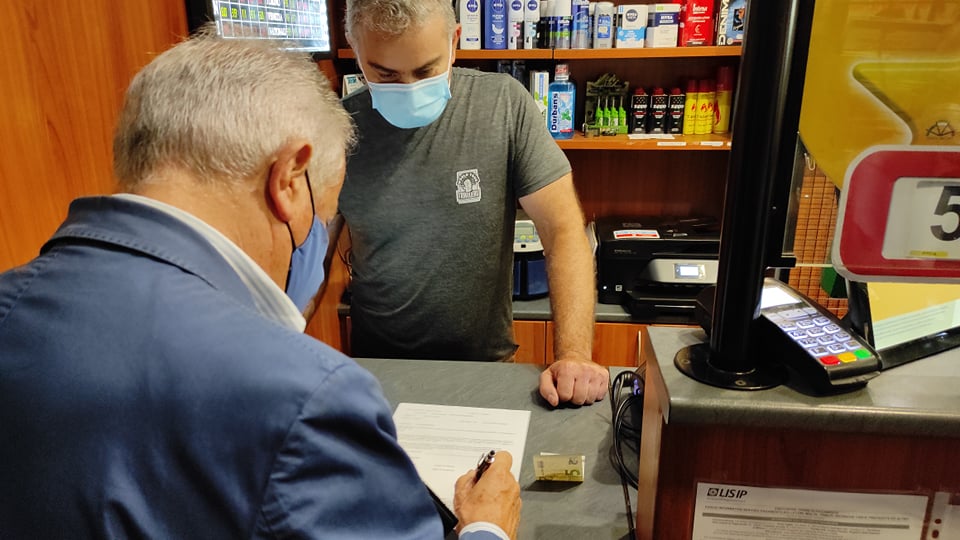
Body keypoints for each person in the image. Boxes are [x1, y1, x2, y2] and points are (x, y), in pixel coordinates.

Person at [0, 29, 519, 540]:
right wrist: (484, 527)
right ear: (289, 181)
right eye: (325, 214)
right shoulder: (306, 395)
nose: (318, 236)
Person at [338, 0, 610, 407]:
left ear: (454, 42)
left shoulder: (503, 104)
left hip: (485, 369)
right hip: (377, 374)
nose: (409, 89)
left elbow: (563, 230)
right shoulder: (338, 130)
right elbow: (305, 252)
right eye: (385, 74)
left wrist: (573, 354)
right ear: (355, 49)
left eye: (425, 71)